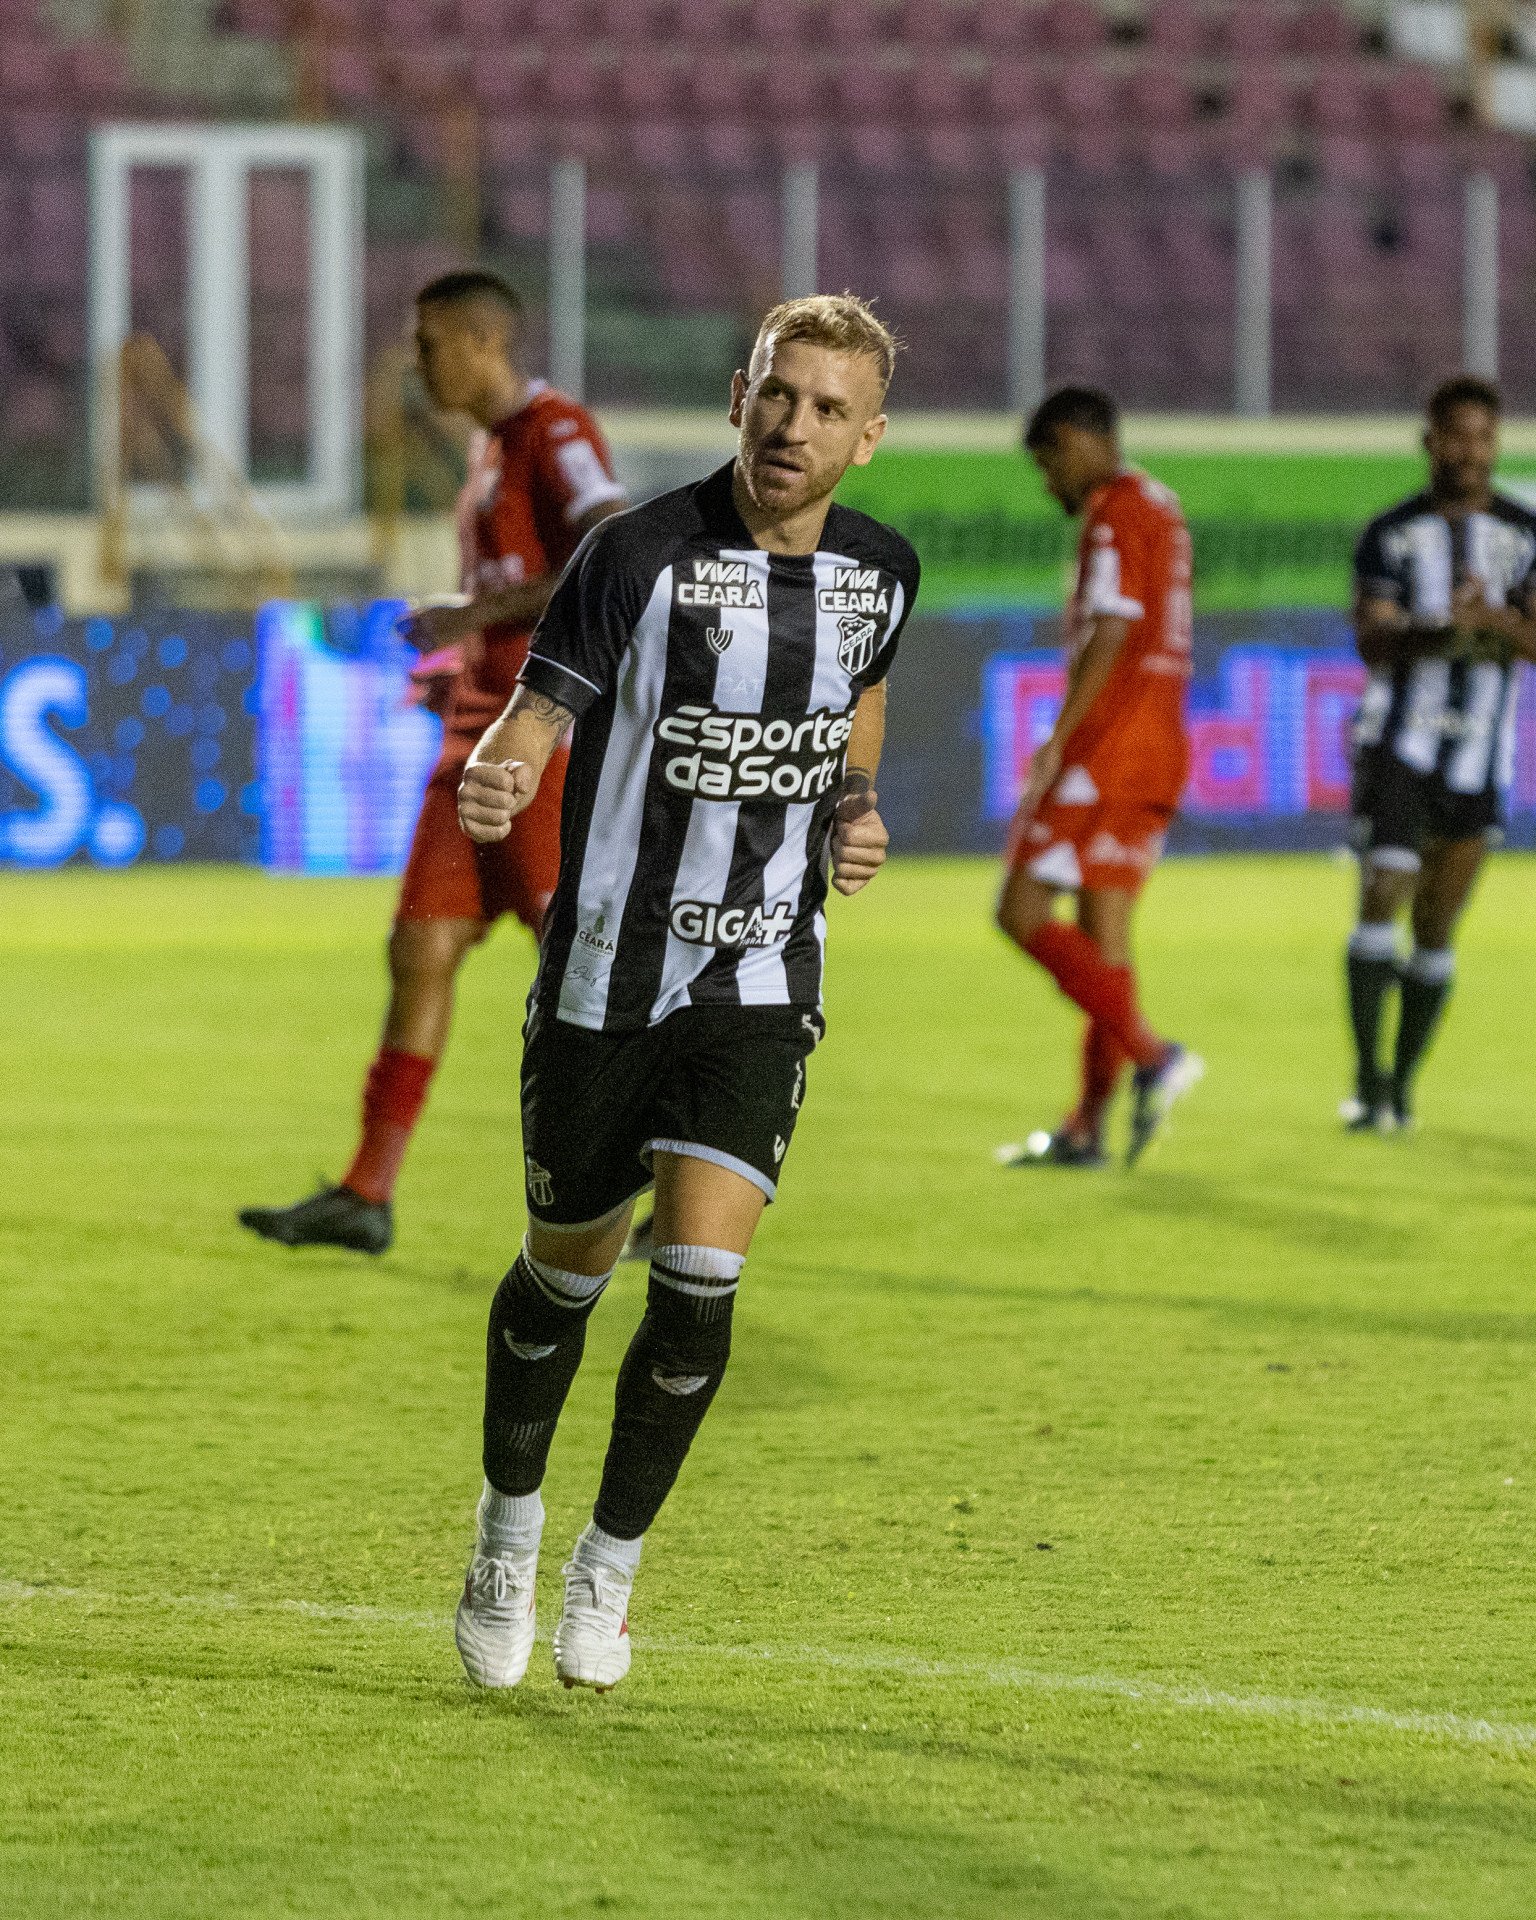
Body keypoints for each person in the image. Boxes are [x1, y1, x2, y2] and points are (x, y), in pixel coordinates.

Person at [450, 293, 918, 1693]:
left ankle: (609, 1572)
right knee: (561, 1279)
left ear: (869, 439)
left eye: (830, 409)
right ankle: (506, 1530)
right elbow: (543, 710)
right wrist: (505, 766)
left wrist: (858, 803)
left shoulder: (882, 574)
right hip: (607, 975)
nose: (796, 426)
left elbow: (863, 695)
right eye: (780, 395)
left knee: (703, 1279)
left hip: (762, 974)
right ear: (737, 396)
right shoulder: (634, 555)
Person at [239, 269, 626, 1254]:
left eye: (426, 344)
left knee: (582, 977)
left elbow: (612, 547)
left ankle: (664, 1177)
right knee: (420, 949)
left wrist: (476, 616)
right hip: (474, 742)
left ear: (480, 339)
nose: (417, 364)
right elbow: (517, 587)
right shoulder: (490, 451)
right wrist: (456, 660)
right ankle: (367, 1193)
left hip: (544, 749)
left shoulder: (556, 431)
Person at [994, 386, 1202, 1169]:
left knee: (1019, 910)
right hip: (1157, 747)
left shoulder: (1114, 509)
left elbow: (1113, 627)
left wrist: (1059, 738)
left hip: (1107, 752)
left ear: (1078, 440)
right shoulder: (1160, 503)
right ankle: (1087, 1127)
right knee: (1103, 941)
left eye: (1049, 461)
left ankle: (1154, 1056)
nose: (1049, 482)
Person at [1343, 375, 1536, 1132]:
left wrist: (1489, 619)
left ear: (1497, 443)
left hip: (1481, 756)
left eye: (1483, 436)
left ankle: (1400, 1086)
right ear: (1430, 441)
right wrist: (1441, 629)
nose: (1469, 450)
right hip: (1401, 742)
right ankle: (1365, 1079)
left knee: (1435, 927)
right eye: (1455, 434)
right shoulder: (1391, 534)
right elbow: (1371, 640)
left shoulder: (1526, 535)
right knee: (1384, 885)